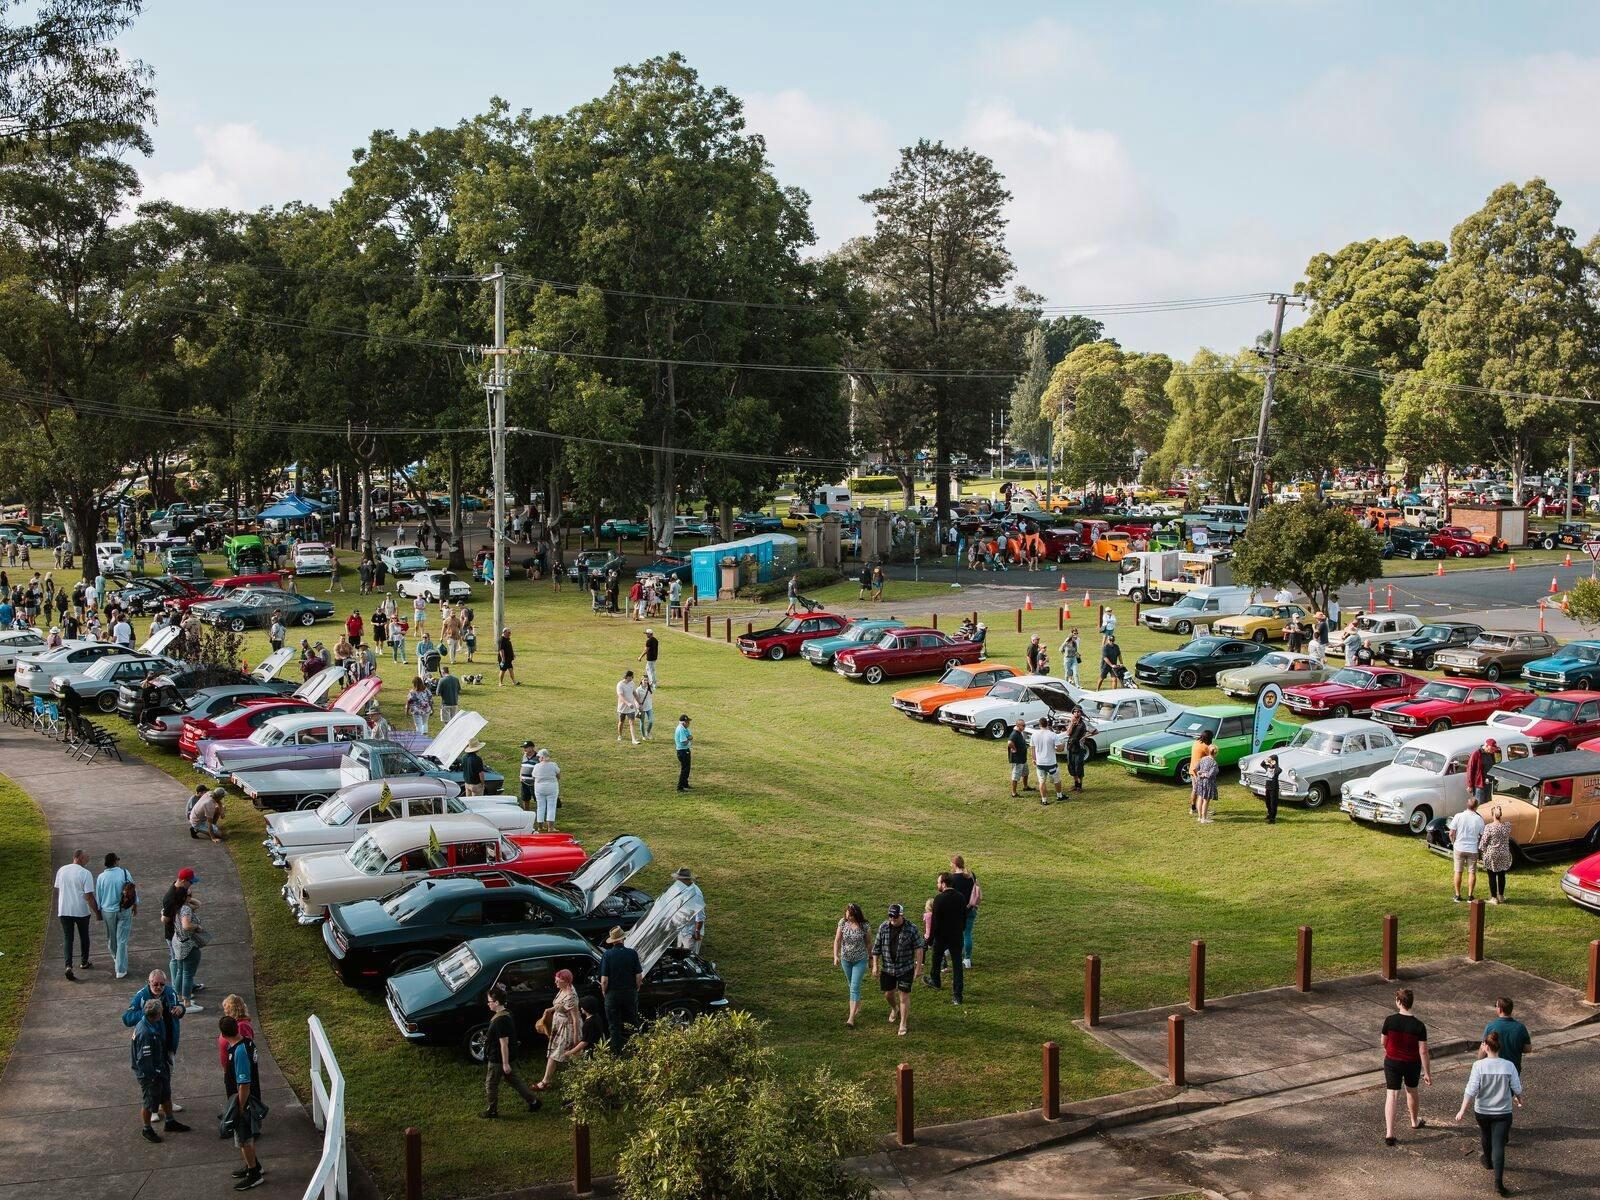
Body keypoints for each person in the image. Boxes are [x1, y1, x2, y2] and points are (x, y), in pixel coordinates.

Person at [1454, 1029, 1523, 1196]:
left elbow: (1471, 1089)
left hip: (1482, 1111)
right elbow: (1516, 1087)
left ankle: (1487, 1160)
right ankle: (1499, 1183)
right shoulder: (1508, 1065)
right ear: (1499, 1047)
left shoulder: (1478, 1066)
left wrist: (1462, 1110)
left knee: (1485, 1134)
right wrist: (1519, 1099)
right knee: (1499, 1144)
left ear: (1485, 1047)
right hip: (1503, 1112)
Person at [131, 996, 190, 1143]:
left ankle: (170, 1121)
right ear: (156, 1015)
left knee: (165, 1095)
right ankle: (146, 1129)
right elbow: (144, 1061)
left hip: (160, 1067)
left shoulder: (153, 1023)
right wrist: (153, 1076)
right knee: (149, 1102)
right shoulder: (145, 1033)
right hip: (150, 1074)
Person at [219, 1015, 267, 1189]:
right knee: (246, 1137)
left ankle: (254, 1175)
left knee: (244, 1139)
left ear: (223, 1035)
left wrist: (239, 1108)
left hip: (244, 1101)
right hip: (248, 1099)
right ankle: (254, 1165)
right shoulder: (247, 1042)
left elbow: (244, 1083)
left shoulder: (239, 1051)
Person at [1381, 987, 1432, 1146]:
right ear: (1411, 1003)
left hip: (1392, 1062)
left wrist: (1390, 1050)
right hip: (1412, 1063)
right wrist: (1427, 1073)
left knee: (1392, 1095)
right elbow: (1423, 1051)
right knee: (1411, 1090)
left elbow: (1383, 1041)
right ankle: (1414, 1121)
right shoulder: (1419, 1026)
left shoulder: (1389, 1020)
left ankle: (1390, 1133)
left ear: (1398, 1001)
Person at [481, 984, 541, 1118]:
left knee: (491, 1084)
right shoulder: (507, 1013)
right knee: (514, 1080)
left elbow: (504, 1043)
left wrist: (505, 1063)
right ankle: (534, 1102)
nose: (488, 1004)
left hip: (498, 1059)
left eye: (489, 1001)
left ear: (497, 1002)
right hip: (509, 1056)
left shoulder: (499, 1020)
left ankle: (492, 1111)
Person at [872, 903, 924, 1037]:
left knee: (904, 996)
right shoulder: (883, 927)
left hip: (905, 968)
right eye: (890, 916)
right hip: (888, 968)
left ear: (901, 915)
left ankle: (903, 1023)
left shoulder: (911, 928)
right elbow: (876, 947)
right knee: (888, 994)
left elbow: (919, 948)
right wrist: (875, 965)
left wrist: (918, 967)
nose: (892, 919)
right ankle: (895, 1009)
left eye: (895, 916)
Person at [54, 848, 98, 980]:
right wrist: (97, 912)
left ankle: (68, 966)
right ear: (78, 857)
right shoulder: (85, 873)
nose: (87, 860)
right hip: (81, 911)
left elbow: (58, 889)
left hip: (64, 910)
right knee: (84, 936)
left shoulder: (62, 870)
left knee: (68, 938)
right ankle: (84, 961)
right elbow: (89, 896)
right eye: (86, 858)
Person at [534, 968, 582, 1089]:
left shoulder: (571, 996)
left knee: (572, 1055)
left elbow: (575, 1019)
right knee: (555, 1053)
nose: (555, 982)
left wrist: (576, 1038)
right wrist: (550, 1010)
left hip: (568, 1029)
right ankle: (546, 1081)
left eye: (557, 981)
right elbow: (560, 1005)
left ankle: (586, 1079)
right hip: (559, 1026)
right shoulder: (562, 990)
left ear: (565, 982)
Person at [598, 926, 643, 1053]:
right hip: (629, 992)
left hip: (612, 994)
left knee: (614, 1025)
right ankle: (636, 1049)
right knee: (633, 1021)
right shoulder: (632, 953)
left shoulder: (607, 955)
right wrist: (636, 988)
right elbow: (639, 976)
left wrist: (604, 991)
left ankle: (617, 1052)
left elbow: (604, 979)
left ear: (612, 941)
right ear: (623, 939)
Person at [924, 874, 967, 1005]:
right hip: (956, 936)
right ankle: (957, 995)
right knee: (957, 965)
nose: (937, 885)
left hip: (941, 936)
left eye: (938, 882)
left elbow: (935, 923)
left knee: (936, 960)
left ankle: (935, 981)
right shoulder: (961, 897)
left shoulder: (939, 899)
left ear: (944, 883)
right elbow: (964, 917)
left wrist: (930, 939)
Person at [96, 852, 136, 979]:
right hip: (124, 910)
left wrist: (98, 912)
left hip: (108, 911)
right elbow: (132, 890)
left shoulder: (101, 877)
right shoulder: (124, 873)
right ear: (115, 861)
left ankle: (115, 956)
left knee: (111, 937)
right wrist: (135, 905)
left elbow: (99, 896)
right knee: (122, 940)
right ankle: (120, 969)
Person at [833, 902, 871, 1028]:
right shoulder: (842, 923)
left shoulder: (864, 926)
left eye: (851, 915)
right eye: (847, 914)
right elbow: (837, 940)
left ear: (856, 915)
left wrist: (871, 958)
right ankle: (856, 1004)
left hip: (860, 960)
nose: (848, 917)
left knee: (854, 988)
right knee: (851, 985)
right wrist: (836, 956)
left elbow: (868, 943)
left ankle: (851, 1018)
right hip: (846, 960)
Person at [170, 886, 206, 1011]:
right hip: (189, 945)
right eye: (189, 894)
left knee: (180, 971)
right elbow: (186, 926)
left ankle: (179, 997)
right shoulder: (185, 909)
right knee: (188, 974)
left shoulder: (177, 907)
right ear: (184, 897)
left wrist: (187, 898)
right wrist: (197, 927)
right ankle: (187, 1002)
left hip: (179, 944)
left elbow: (198, 904)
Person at [1483, 996, 1531, 1080]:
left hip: (1494, 1070)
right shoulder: (1520, 1027)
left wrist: (1479, 1061)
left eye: (1496, 1006)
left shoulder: (1490, 1027)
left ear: (1500, 1009)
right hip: (1514, 1070)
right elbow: (1528, 1049)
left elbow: (1483, 1049)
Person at [1449, 795, 1486, 903]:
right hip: (1472, 849)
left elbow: (1451, 833)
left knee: (1458, 871)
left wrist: (1453, 843)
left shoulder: (1458, 816)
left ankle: (1457, 895)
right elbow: (1482, 835)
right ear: (1476, 807)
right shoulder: (1479, 819)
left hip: (1459, 847)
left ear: (1467, 805)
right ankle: (1470, 896)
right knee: (1472, 872)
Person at [219, 995, 255, 1096]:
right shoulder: (234, 1023)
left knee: (236, 1097)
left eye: (226, 1008)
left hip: (237, 1070)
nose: (225, 1011)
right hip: (230, 1068)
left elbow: (245, 1048)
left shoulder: (241, 1026)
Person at [949, 855, 980, 968]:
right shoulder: (971, 874)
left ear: (955, 864)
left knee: (954, 932)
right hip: (971, 909)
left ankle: (951, 951)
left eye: (951, 863)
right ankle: (967, 959)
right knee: (967, 934)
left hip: (958, 911)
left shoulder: (953, 878)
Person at [1480, 804, 1514, 904]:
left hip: (1492, 853)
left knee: (1492, 875)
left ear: (1492, 815)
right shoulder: (1506, 826)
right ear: (1501, 815)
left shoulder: (1489, 827)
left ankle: (1494, 898)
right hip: (1504, 853)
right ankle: (1501, 896)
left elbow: (1484, 842)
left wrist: (1482, 851)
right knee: (1501, 874)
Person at [1030, 717, 1064, 805]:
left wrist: (1034, 759)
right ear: (1048, 724)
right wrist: (1062, 746)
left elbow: (1032, 748)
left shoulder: (1034, 735)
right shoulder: (1052, 735)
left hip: (1040, 763)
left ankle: (1044, 800)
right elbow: (1059, 749)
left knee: (1042, 782)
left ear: (1039, 725)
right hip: (1051, 762)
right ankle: (1059, 796)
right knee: (1057, 780)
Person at [531, 749, 561, 831]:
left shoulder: (537, 766)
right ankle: (550, 827)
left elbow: (534, 777)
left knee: (540, 806)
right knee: (551, 807)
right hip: (552, 787)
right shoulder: (553, 765)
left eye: (539, 757)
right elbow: (558, 776)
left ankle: (540, 827)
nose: (538, 759)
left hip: (539, 788)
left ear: (542, 757)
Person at [1468, 737, 1501, 808]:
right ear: (1486, 746)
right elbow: (1470, 769)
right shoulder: (1476, 754)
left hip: (1489, 783)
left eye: (1494, 749)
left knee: (1489, 803)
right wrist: (1470, 785)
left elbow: (1494, 765)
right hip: (1479, 784)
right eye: (1492, 749)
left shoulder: (1491, 753)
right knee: (1480, 805)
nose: (1493, 751)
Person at [1195, 739, 1220, 824]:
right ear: (1215, 753)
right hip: (1208, 783)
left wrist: (1200, 774)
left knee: (1200, 798)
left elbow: (1196, 768)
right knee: (1206, 800)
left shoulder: (1203, 759)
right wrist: (1205, 774)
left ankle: (1199, 817)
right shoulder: (1214, 763)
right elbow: (1210, 775)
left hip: (1200, 782)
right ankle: (1204, 818)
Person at [1189, 731, 1214, 816]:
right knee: (1203, 792)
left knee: (1195, 789)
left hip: (1192, 769)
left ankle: (1193, 808)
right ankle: (1203, 810)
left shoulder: (1196, 742)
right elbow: (1211, 757)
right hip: (1199, 772)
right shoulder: (1206, 747)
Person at [1064, 708, 1089, 793]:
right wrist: (1072, 723)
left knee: (1079, 767)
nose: (1076, 713)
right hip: (1071, 747)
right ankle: (1075, 785)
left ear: (1081, 713)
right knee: (1071, 766)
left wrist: (1084, 737)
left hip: (1079, 748)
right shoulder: (1072, 722)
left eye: (1078, 712)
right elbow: (1068, 733)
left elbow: (1095, 731)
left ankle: (1080, 786)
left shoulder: (1084, 723)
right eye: (1075, 712)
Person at [1006, 717, 1030, 797]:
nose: (1024, 727)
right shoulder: (1014, 734)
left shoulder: (1020, 732)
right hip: (1018, 759)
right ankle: (1014, 793)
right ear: (1018, 725)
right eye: (1023, 725)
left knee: (1026, 773)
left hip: (1023, 759)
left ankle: (1025, 787)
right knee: (1015, 776)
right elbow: (1009, 742)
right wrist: (1014, 749)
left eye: (1025, 725)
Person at [615, 670, 640, 744]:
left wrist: (640, 703)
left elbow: (635, 693)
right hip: (622, 708)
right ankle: (620, 735)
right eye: (632, 677)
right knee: (621, 722)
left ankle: (633, 739)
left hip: (631, 708)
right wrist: (627, 703)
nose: (632, 678)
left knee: (632, 723)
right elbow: (620, 696)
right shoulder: (620, 684)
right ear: (627, 677)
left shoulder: (632, 683)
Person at [1261, 753, 1282, 824]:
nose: (1270, 761)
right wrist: (1266, 760)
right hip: (1268, 787)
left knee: (1273, 803)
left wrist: (1274, 764)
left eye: (1271, 760)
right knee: (1268, 802)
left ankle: (1273, 818)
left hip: (1274, 788)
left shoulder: (1277, 769)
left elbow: (1279, 770)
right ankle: (1269, 814)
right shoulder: (1267, 767)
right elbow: (1262, 764)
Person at [674, 713, 693, 791]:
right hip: (683, 751)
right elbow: (684, 742)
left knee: (687, 769)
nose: (689, 723)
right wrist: (688, 739)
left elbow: (691, 736)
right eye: (687, 722)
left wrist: (688, 738)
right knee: (685, 769)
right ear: (683, 722)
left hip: (685, 751)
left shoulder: (685, 728)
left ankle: (685, 784)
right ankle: (680, 787)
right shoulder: (681, 729)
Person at [517, 740, 538, 809]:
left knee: (537, 799)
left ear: (531, 748)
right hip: (524, 782)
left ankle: (540, 813)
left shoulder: (538, 757)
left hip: (534, 783)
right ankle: (526, 812)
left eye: (526, 747)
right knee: (525, 799)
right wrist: (520, 776)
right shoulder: (524, 756)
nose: (524, 749)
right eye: (524, 747)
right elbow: (522, 766)